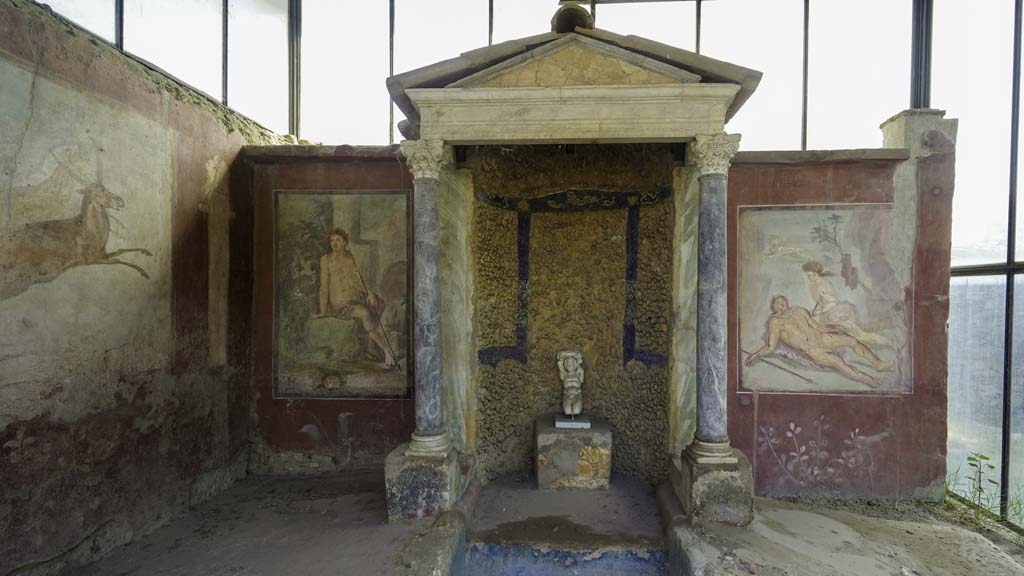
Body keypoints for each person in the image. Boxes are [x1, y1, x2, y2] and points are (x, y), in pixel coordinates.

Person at [745, 295, 893, 388]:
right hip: (813, 350)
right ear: (773, 307)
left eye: (782, 301)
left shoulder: (800, 311)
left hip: (823, 338)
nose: (781, 303)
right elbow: (771, 346)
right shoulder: (775, 322)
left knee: (852, 341)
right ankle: (868, 379)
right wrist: (756, 354)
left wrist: (834, 327)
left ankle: (879, 364)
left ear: (787, 302)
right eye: (777, 303)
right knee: (839, 363)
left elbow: (818, 327)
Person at [311, 228, 396, 367]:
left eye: (338, 240)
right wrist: (323, 311)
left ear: (345, 242)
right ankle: (386, 350)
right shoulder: (326, 260)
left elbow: (357, 281)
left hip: (356, 298)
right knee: (365, 313)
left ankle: (371, 347)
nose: (334, 243)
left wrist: (369, 293)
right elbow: (324, 287)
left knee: (379, 303)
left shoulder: (349, 258)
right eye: (332, 240)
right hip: (342, 305)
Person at [802, 260, 889, 348]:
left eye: (809, 275)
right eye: (807, 275)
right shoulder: (813, 285)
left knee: (860, 336)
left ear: (816, 274)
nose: (808, 277)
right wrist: (815, 311)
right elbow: (820, 302)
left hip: (835, 314)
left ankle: (887, 341)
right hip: (827, 314)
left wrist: (820, 311)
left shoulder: (822, 285)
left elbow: (833, 302)